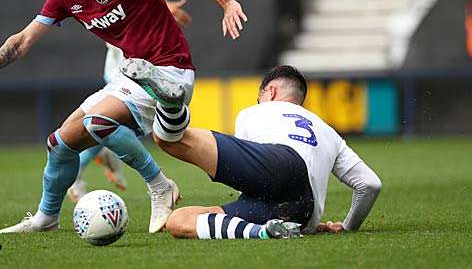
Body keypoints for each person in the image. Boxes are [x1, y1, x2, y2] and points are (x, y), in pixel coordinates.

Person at [0, 0, 247, 234]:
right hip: (131, 75)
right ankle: (45, 218)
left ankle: (160, 186)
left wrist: (227, 3)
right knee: (60, 143)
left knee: (98, 122)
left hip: (169, 71)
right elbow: (22, 40)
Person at [121, 65, 381, 239]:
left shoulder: (255, 112)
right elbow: (369, 184)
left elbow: (248, 173)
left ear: (271, 91)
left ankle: (170, 104)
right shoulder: (327, 130)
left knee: (168, 138)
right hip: (301, 213)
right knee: (179, 221)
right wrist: (347, 227)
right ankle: (265, 233)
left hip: (276, 166)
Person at [67, 0, 192, 203]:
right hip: (126, 33)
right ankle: (80, 168)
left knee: (121, 116)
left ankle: (100, 155)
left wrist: (163, 6)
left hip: (141, 26)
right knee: (114, 113)